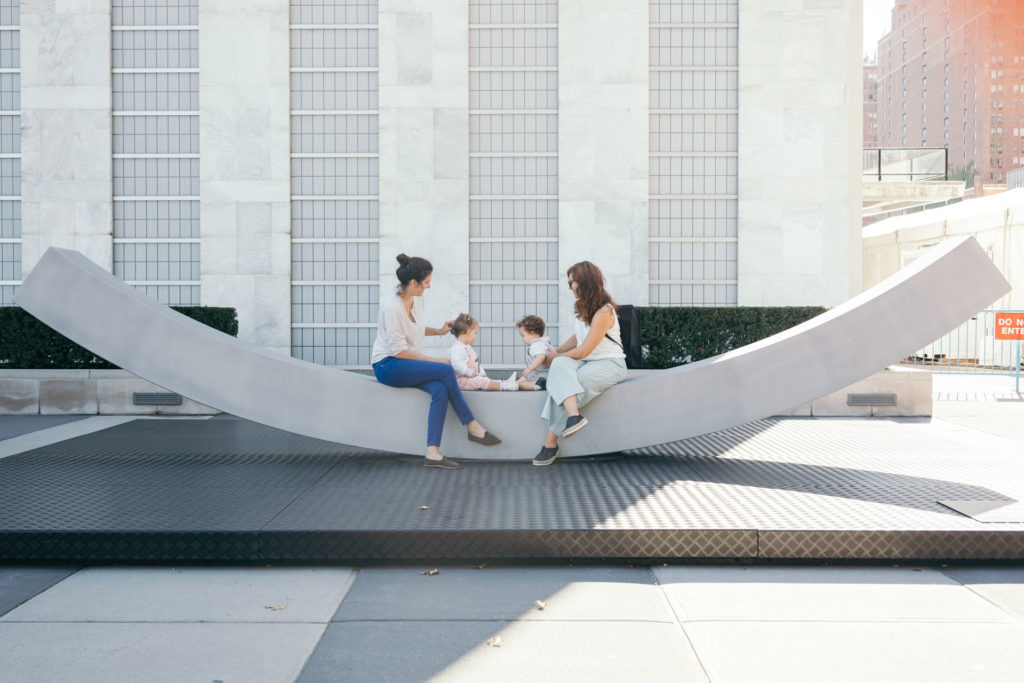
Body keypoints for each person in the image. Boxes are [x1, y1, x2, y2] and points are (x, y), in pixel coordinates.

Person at [371, 254, 501, 469]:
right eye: (427, 283)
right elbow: (400, 351)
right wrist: (436, 360)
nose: (428, 287)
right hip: (388, 365)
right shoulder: (391, 307)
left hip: (405, 364)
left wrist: (440, 331)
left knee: (440, 389)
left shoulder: (416, 298)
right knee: (444, 370)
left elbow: (414, 329)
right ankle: (472, 426)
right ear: (413, 283)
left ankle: (432, 453)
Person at [532, 261, 627, 466]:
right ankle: (574, 416)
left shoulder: (603, 312)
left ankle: (550, 444)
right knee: (560, 369)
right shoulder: (585, 307)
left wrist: (553, 358)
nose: (569, 287)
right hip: (587, 362)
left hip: (610, 364)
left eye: (571, 282)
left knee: (569, 386)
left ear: (584, 282)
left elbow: (584, 350)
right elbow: (578, 338)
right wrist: (556, 354)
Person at [448, 313, 519, 391]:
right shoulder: (457, 348)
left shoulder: (468, 347)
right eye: (475, 333)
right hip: (461, 381)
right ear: (468, 332)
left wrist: (481, 373)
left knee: (484, 380)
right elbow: (457, 365)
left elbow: (476, 363)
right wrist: (469, 373)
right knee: (482, 381)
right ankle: (506, 386)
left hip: (469, 379)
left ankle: (505, 382)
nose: (476, 336)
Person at [515, 314, 556, 391]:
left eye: (523, 335)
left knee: (521, 384)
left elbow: (541, 357)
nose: (522, 339)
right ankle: (517, 382)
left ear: (532, 333)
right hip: (545, 373)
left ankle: (517, 384)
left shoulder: (536, 345)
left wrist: (529, 368)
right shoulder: (545, 342)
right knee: (523, 380)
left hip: (543, 374)